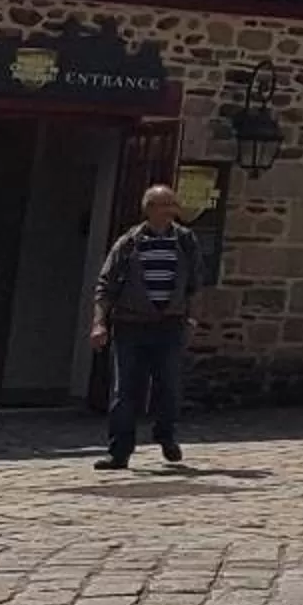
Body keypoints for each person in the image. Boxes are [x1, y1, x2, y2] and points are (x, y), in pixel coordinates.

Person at [90, 183, 202, 470]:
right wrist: (99, 323)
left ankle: (166, 436)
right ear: (149, 209)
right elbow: (106, 286)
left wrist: (191, 318)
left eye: (173, 205)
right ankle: (119, 452)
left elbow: (195, 286)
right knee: (126, 390)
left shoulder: (185, 241)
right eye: (165, 205)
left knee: (169, 385)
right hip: (131, 325)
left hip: (169, 325)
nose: (171, 211)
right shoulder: (129, 243)